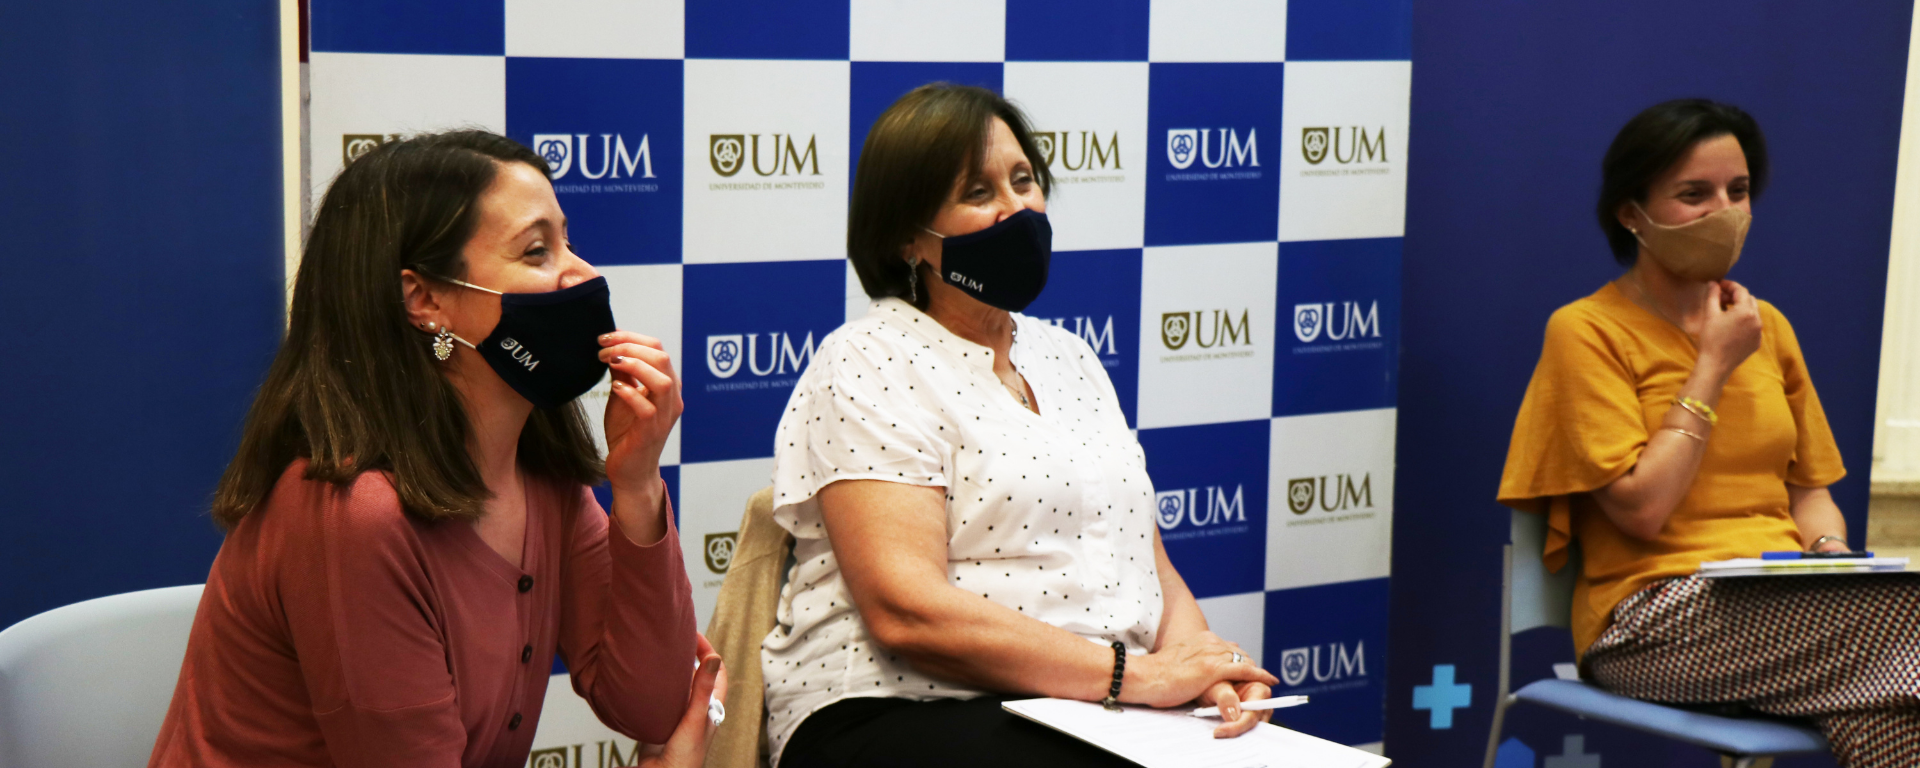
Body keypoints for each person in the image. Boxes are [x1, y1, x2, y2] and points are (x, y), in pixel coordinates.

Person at [149, 130, 723, 768]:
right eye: (537, 251)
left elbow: (654, 705)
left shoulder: (538, 473)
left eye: (569, 240)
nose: (583, 275)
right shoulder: (354, 515)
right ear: (425, 301)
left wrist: (639, 486)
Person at [760, 84, 1278, 768]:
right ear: (909, 238)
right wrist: (1136, 676)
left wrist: (1199, 666)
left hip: (1093, 709)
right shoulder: (865, 360)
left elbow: (1148, 566)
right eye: (978, 192)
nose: (1017, 209)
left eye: (1024, 180)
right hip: (897, 710)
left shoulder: (1072, 358)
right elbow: (906, 610)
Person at [1498, 99, 1920, 766]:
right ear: (1630, 213)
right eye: (1694, 194)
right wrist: (1714, 365)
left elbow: (1810, 492)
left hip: (1794, 610)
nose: (1723, 211)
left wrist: (1830, 551)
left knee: (1895, 718)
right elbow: (1641, 509)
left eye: (1739, 191)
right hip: (1650, 624)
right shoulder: (1585, 331)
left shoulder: (1768, 326)